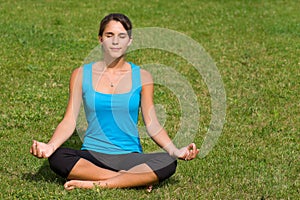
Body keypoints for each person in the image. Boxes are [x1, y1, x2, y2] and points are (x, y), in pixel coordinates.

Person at [30, 13, 199, 191]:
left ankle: (96, 183)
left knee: (167, 162)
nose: (115, 41)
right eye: (109, 35)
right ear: (100, 39)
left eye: (122, 36)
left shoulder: (142, 77)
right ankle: (133, 179)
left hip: (129, 156)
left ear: (130, 41)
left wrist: (175, 150)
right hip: (92, 154)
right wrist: (50, 146)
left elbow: (152, 123)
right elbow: (69, 120)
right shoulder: (81, 74)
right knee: (58, 157)